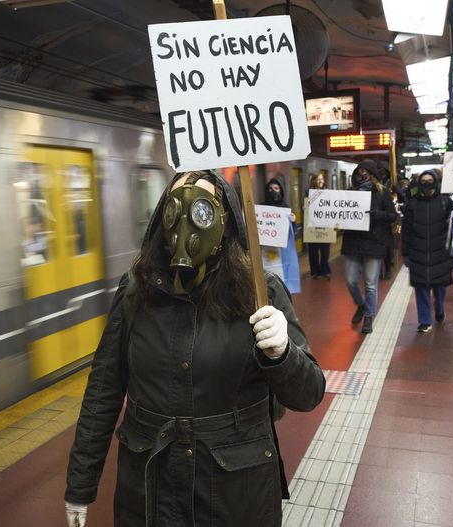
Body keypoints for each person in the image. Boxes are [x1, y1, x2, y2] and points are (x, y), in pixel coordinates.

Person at [64, 170, 325, 527]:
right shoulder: (136, 291)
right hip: (152, 488)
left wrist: (283, 354)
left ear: (227, 222)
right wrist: (80, 483)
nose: (187, 225)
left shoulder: (260, 292)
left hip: (234, 491)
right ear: (162, 217)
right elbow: (104, 390)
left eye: (201, 210)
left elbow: (308, 394)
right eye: (176, 209)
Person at [341, 160, 397, 334]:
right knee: (350, 280)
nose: (361, 174)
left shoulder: (382, 193)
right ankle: (361, 304)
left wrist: (378, 215)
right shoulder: (350, 193)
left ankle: (368, 317)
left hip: (374, 243)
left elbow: (392, 216)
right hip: (353, 242)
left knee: (371, 284)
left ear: (372, 174)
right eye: (359, 171)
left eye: (365, 171)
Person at [401, 169, 453, 333]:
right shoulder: (412, 204)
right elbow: (406, 230)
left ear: (436, 182)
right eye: (422, 181)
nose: (426, 184)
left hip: (440, 252)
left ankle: (439, 310)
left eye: (429, 180)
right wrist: (406, 253)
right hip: (418, 251)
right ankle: (425, 321)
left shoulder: (446, 202)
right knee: (421, 288)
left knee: (439, 288)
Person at [261, 176, 301, 293]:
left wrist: (292, 222)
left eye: (276, 188)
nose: (273, 191)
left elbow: (290, 234)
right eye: (270, 188)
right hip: (264, 252)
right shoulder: (261, 208)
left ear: (281, 190)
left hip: (280, 252)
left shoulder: (286, 209)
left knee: (280, 279)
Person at [306, 172, 331, 279]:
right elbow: (306, 208)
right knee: (313, 252)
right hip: (312, 227)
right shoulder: (308, 193)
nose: (321, 181)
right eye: (318, 179)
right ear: (314, 181)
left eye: (322, 179)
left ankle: (325, 271)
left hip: (326, 227)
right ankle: (315, 272)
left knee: (325, 252)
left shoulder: (329, 193)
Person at [376, 161, 396, 280]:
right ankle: (378, 271)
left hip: (385, 224)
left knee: (388, 249)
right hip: (376, 224)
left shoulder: (391, 183)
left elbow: (392, 213)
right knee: (378, 250)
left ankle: (388, 268)